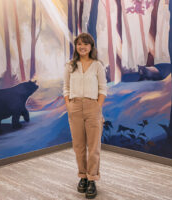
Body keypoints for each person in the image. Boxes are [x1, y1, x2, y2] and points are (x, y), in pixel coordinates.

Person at [63, 33, 107, 199]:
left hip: (92, 107)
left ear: (91, 47)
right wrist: (69, 105)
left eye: (86, 44)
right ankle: (82, 176)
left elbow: (103, 89)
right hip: (74, 107)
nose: (82, 47)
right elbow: (66, 88)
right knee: (79, 145)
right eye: (79, 44)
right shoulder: (70, 66)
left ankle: (92, 179)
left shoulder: (97, 66)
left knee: (94, 146)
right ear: (76, 46)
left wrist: (97, 106)